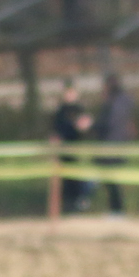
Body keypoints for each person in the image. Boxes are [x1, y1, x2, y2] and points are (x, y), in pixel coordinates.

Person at [50, 81, 95, 214]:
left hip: (78, 153)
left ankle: (80, 203)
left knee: (79, 180)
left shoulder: (80, 110)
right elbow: (56, 130)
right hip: (64, 152)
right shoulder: (60, 111)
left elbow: (86, 129)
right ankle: (66, 206)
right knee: (65, 181)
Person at [97, 71, 138, 217]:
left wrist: (91, 126)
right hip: (121, 145)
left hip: (111, 146)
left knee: (112, 180)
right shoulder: (125, 101)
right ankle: (116, 210)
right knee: (114, 179)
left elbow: (108, 124)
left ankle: (116, 210)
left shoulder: (113, 103)